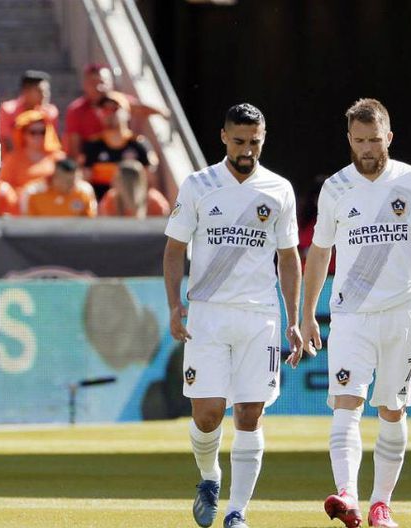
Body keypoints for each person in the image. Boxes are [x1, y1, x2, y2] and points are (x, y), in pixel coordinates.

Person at [300, 99, 411, 528]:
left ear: (389, 138)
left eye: (375, 140)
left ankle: (382, 504)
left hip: (402, 313)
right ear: (349, 139)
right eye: (360, 140)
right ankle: (348, 495)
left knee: (392, 410)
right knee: (346, 403)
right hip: (351, 315)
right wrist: (308, 314)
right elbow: (319, 252)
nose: (367, 149)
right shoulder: (336, 188)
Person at [163, 104, 303, 528]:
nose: (247, 150)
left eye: (254, 142)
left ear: (264, 138)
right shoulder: (199, 185)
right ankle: (210, 477)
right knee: (207, 413)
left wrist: (293, 318)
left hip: (260, 316)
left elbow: (289, 257)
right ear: (223, 136)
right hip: (207, 315)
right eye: (239, 141)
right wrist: (174, 304)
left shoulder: (278, 189)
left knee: (249, 412)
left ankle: (238, 511)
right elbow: (174, 249)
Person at [82, 90, 157, 199]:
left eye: (114, 109)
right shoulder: (92, 145)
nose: (109, 113)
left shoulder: (139, 144)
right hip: (101, 204)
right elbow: (85, 183)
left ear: (127, 113)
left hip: (132, 203)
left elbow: (149, 183)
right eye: (104, 109)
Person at [0, 109, 64, 191]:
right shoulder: (12, 159)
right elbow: (4, 188)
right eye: (33, 132)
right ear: (23, 134)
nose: (38, 136)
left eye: (42, 132)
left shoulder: (58, 157)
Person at [0, 70, 58, 151]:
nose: (45, 95)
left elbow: (51, 143)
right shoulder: (8, 110)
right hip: (13, 156)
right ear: (26, 91)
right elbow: (8, 143)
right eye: (40, 91)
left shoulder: (50, 112)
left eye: (47, 91)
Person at [19, 158, 96, 217]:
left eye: (74, 181)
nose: (71, 185)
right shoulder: (33, 193)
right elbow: (29, 225)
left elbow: (90, 222)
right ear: (55, 178)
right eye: (67, 181)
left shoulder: (84, 192)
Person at [99, 160, 169, 218]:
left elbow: (163, 224)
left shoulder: (154, 200)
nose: (113, 181)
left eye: (119, 179)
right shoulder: (111, 198)